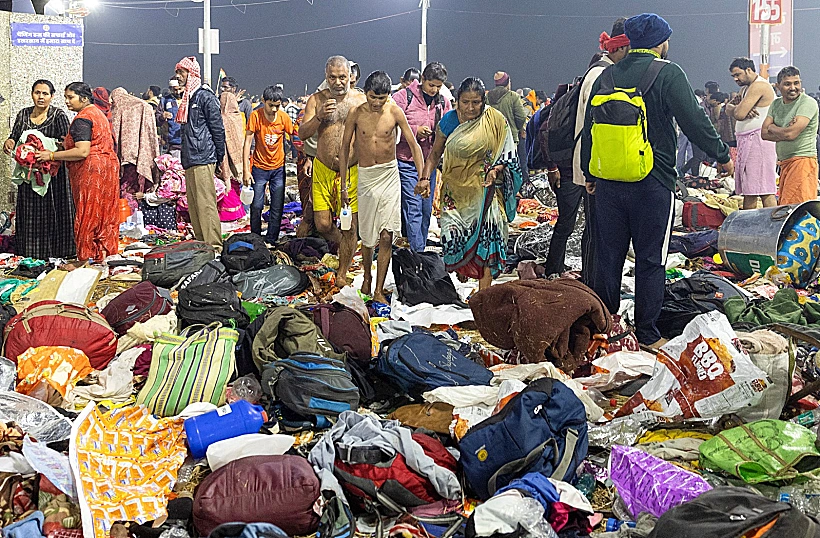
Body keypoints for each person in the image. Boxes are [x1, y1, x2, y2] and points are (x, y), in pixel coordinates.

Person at [581, 13, 733, 348]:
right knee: (651, 260)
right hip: (652, 181)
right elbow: (694, 122)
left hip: (608, 182)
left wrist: (589, 171)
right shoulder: (667, 72)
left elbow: (591, 127)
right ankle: (647, 334)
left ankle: (605, 329)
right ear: (661, 42)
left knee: (609, 257)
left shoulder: (607, 74)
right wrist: (722, 155)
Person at [544, 19, 630, 284]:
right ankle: (567, 274)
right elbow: (588, 127)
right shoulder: (601, 76)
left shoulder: (596, 73)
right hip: (580, 166)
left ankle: (576, 273)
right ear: (620, 48)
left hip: (580, 165)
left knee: (584, 226)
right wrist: (588, 169)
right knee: (574, 225)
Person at [421, 77, 523, 291]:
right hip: (455, 196)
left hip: (485, 193)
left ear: (483, 100)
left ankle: (484, 295)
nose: (470, 108)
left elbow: (507, 153)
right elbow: (434, 154)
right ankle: (466, 274)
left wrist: (496, 170)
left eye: (475, 102)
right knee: (454, 240)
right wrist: (424, 178)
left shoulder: (495, 120)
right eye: (465, 102)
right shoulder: (448, 122)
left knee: (488, 240)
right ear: (457, 101)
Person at [338, 71, 424, 302]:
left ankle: (378, 290)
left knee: (386, 236)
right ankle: (367, 276)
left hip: (388, 175)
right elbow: (345, 148)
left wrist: (422, 176)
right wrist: (344, 186)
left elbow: (414, 145)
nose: (377, 103)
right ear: (366, 93)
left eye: (382, 98)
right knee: (367, 237)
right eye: (373, 97)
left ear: (389, 96)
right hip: (365, 177)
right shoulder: (356, 114)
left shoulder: (394, 111)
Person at [298, 56, 367, 287]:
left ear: (351, 77)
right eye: (332, 78)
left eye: (342, 77)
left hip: (352, 170)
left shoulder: (360, 100)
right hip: (323, 169)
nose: (337, 82)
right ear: (326, 77)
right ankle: (347, 247)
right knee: (323, 224)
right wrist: (319, 117)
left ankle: (342, 271)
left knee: (350, 224)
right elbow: (302, 134)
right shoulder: (316, 100)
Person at [35, 82, 119, 265]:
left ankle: (84, 259)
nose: (67, 101)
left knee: (87, 212)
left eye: (70, 97)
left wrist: (50, 155)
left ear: (84, 98)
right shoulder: (98, 113)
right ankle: (102, 256)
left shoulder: (83, 118)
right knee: (104, 213)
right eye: (65, 97)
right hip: (107, 168)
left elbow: (82, 151)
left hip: (91, 171)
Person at [4, 79, 76, 260]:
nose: (41, 97)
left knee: (53, 212)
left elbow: (66, 143)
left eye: (45, 93)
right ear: (32, 94)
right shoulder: (23, 115)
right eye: (37, 93)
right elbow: (14, 136)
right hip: (29, 175)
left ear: (52, 96)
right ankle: (30, 253)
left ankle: (58, 253)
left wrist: (47, 151)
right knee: (30, 212)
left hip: (53, 177)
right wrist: (10, 142)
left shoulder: (58, 116)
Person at [392, 61, 452, 252]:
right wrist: (415, 131)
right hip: (406, 162)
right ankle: (418, 253)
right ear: (422, 80)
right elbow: (390, 128)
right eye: (431, 85)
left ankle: (419, 246)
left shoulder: (443, 102)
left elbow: (449, 127)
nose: (434, 90)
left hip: (429, 164)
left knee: (427, 209)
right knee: (414, 207)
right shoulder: (402, 98)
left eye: (438, 86)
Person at [175, 56, 226, 251]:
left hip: (203, 156)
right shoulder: (189, 98)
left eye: (182, 72)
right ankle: (201, 246)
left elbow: (217, 130)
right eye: (178, 72)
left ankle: (214, 247)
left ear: (192, 73)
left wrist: (219, 159)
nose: (178, 76)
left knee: (206, 205)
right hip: (191, 158)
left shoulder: (205, 96)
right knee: (194, 207)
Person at [243, 85, 294, 243]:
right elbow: (247, 142)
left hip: (278, 168)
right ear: (263, 101)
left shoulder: (283, 118)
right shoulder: (256, 116)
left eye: (277, 106)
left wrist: (302, 156)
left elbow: (294, 138)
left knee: (276, 207)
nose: (273, 109)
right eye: (270, 105)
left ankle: (272, 238)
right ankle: (256, 237)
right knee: (257, 205)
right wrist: (246, 169)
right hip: (259, 167)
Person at [762, 66, 819, 205]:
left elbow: (791, 134)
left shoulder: (807, 103)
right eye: (787, 84)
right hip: (785, 164)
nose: (793, 87)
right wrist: (784, 131)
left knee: (797, 209)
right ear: (778, 86)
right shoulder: (776, 104)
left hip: (802, 162)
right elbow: (764, 133)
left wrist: (773, 127)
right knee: (787, 206)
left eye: (796, 83)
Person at [726, 57, 778, 209]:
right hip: (747, 141)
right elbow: (729, 108)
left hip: (758, 142)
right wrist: (734, 109)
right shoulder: (745, 89)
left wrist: (737, 109)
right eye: (733, 76)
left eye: (738, 74)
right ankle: (750, 226)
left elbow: (740, 114)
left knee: (764, 189)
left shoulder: (759, 85)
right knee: (750, 190)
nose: (736, 79)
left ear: (748, 70)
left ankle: (770, 227)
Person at [110, 87, 160, 211]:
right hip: (140, 154)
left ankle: (126, 214)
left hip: (123, 158)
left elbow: (114, 133)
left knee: (125, 188)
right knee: (136, 187)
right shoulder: (142, 106)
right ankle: (136, 213)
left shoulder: (118, 107)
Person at [488, 71, 530, 180]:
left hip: (493, 138)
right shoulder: (512, 96)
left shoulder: (488, 97)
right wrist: (519, 129)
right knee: (514, 167)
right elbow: (521, 117)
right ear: (507, 83)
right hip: (511, 138)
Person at [218, 90, 247, 222]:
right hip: (240, 160)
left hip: (226, 159)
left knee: (227, 187)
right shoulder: (237, 116)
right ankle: (237, 215)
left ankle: (227, 216)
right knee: (235, 187)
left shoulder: (222, 119)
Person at [160, 80, 183, 158]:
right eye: (175, 90)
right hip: (173, 143)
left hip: (189, 142)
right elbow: (157, 119)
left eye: (180, 89)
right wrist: (162, 117)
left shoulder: (191, 99)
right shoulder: (165, 101)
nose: (178, 92)